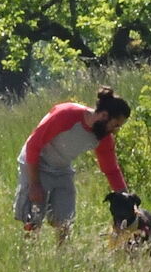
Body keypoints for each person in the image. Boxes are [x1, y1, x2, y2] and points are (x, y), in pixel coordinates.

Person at [13, 86, 133, 242]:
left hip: (62, 169)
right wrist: (35, 184)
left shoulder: (102, 137)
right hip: (36, 164)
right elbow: (33, 145)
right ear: (104, 116)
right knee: (33, 219)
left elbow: (111, 170)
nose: (115, 131)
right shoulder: (66, 115)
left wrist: (127, 199)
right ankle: (28, 257)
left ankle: (62, 257)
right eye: (115, 125)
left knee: (65, 221)